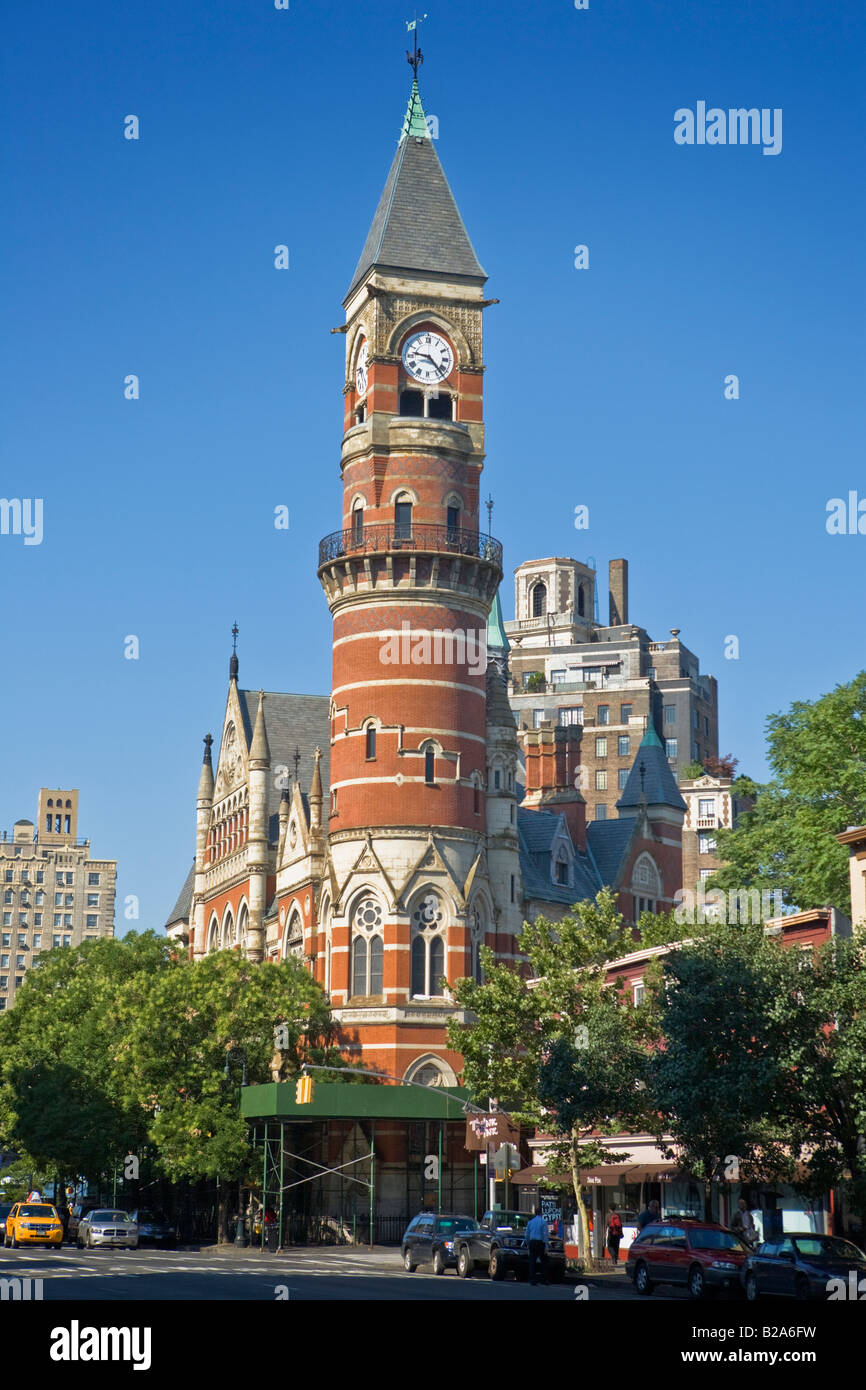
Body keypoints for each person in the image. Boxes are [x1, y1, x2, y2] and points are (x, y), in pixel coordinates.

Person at [525, 1207, 550, 1286]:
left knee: (532, 1261)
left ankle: (532, 1279)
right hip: (540, 1242)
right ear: (541, 1213)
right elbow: (545, 1234)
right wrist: (546, 1246)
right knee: (544, 1261)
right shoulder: (543, 1222)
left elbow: (527, 1234)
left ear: (535, 1213)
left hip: (532, 1242)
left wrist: (528, 1244)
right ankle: (543, 1279)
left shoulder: (530, 1222)